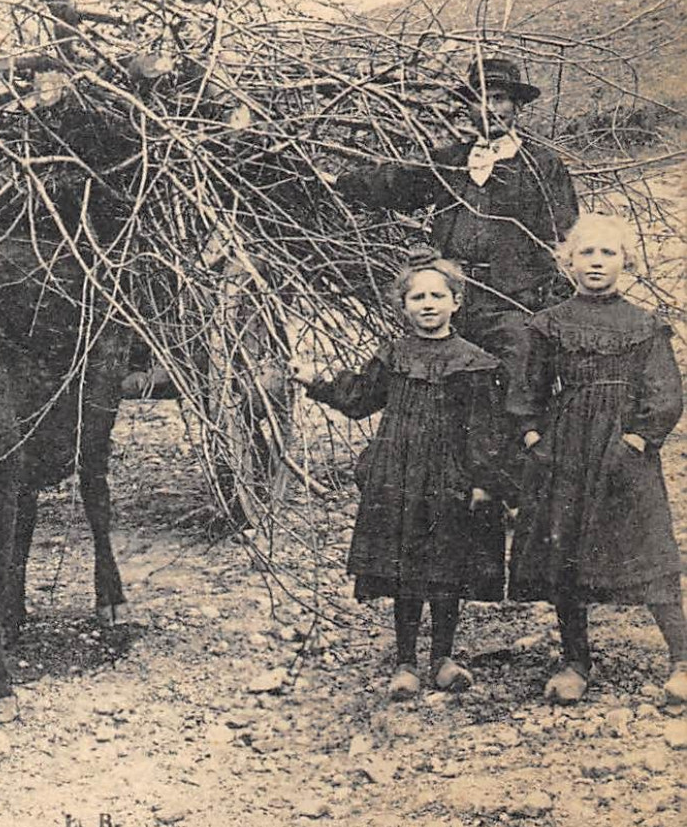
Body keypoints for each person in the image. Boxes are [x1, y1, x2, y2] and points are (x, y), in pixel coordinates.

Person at [291, 246, 511, 699]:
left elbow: (487, 431)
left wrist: (485, 482)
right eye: (417, 297)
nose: (428, 304)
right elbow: (360, 399)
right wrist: (315, 379)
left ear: (457, 301)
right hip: (400, 475)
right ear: (403, 305)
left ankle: (444, 658)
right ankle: (406, 661)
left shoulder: (475, 362)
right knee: (406, 570)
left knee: (446, 570)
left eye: (437, 295)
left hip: (449, 479)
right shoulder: (393, 356)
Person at [331, 57, 579, 426]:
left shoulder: (542, 166)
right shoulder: (452, 162)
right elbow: (396, 183)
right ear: (468, 108)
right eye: (481, 99)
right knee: (447, 400)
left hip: (514, 306)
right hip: (455, 304)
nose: (491, 109)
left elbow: (566, 238)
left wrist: (546, 308)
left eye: (499, 98)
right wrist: (338, 182)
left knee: (516, 401)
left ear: (518, 106)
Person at [512, 214, 687, 705]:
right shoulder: (549, 324)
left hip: (625, 451)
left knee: (648, 548)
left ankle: (681, 659)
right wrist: (532, 438)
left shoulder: (644, 325)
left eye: (608, 253)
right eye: (586, 252)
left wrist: (637, 439)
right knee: (565, 550)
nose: (596, 262)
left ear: (625, 261)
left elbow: (666, 393)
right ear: (569, 262)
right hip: (567, 450)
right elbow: (528, 388)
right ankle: (575, 660)